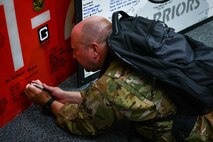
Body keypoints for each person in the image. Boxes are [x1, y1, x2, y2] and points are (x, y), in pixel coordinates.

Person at [24, 15, 213, 142]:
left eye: (75, 50)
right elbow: (102, 97)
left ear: (94, 49)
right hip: (201, 98)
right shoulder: (126, 47)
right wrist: (64, 95)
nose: (73, 57)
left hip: (199, 129)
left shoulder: (112, 84)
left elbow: (81, 123)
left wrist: (46, 102)